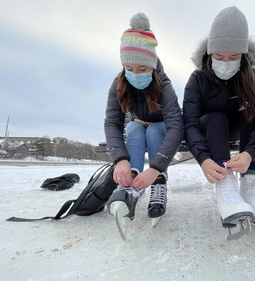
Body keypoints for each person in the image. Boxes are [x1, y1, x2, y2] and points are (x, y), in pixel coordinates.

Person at [182, 6, 255, 232]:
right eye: (219, 56)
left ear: (243, 56)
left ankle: (248, 189)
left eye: (233, 57)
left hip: (239, 129)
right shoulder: (197, 79)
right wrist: (203, 159)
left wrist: (251, 153)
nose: (226, 62)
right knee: (217, 116)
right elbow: (188, 122)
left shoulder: (253, 77)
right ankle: (225, 188)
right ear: (210, 54)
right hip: (210, 128)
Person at [104, 12, 184, 222]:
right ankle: (128, 185)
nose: (135, 73)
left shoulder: (164, 85)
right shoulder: (119, 84)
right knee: (134, 129)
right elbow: (113, 121)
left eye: (142, 68)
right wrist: (120, 159)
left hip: (161, 126)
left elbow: (176, 126)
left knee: (155, 129)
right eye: (129, 68)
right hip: (138, 124)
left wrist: (156, 168)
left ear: (152, 65)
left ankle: (158, 184)